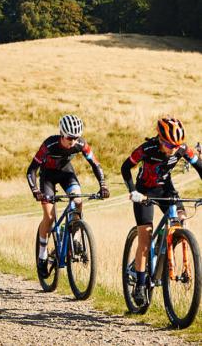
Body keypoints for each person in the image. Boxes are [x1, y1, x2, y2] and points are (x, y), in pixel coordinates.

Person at [121, 117, 202, 306]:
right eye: (168, 144)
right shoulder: (147, 149)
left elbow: (200, 167)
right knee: (145, 237)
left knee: (183, 221)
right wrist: (133, 191)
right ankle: (140, 284)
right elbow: (125, 168)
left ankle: (170, 250)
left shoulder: (182, 149)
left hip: (166, 189)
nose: (173, 149)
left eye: (176, 145)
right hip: (144, 192)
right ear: (160, 139)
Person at [27, 114, 110, 278]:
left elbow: (95, 164)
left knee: (77, 201)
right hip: (48, 177)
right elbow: (31, 170)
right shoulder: (49, 144)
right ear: (61, 133)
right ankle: (42, 255)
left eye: (75, 137)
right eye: (69, 137)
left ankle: (76, 235)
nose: (72, 141)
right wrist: (36, 190)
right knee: (49, 217)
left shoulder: (80, 144)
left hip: (66, 173)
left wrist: (103, 185)